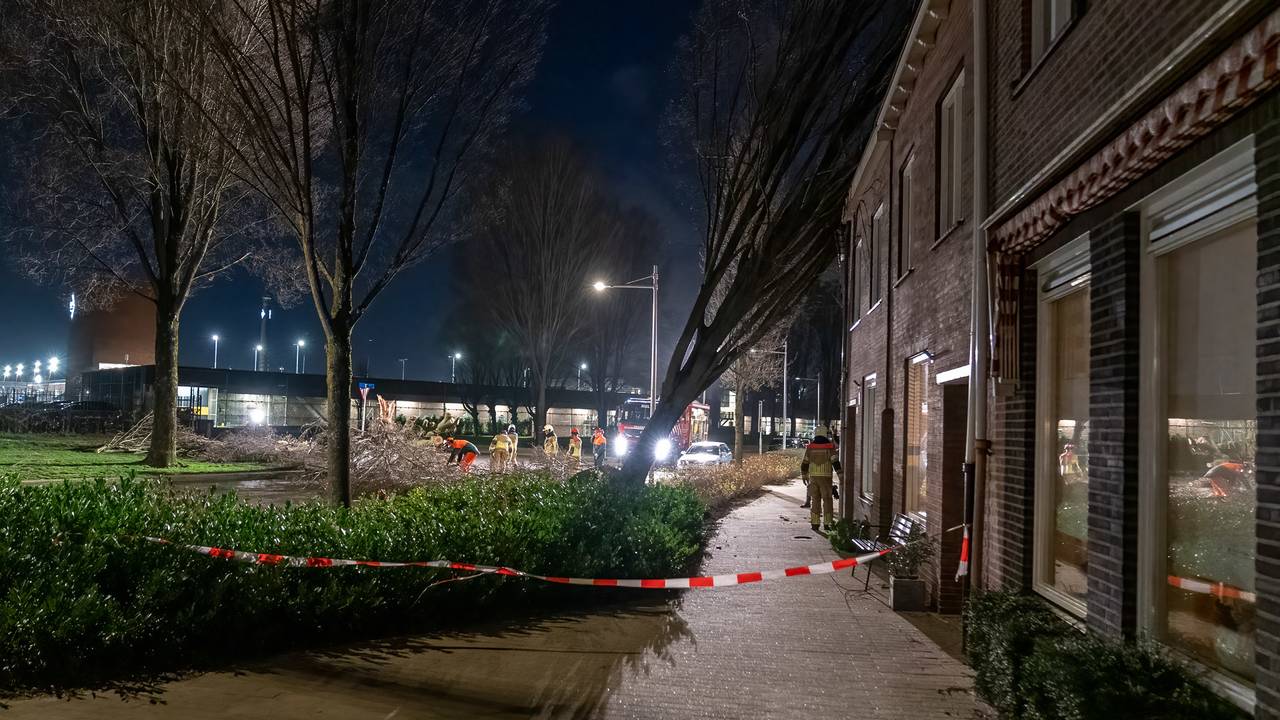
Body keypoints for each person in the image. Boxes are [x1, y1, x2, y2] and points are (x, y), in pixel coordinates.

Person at [801, 426, 840, 532]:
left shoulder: (810, 447)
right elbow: (835, 462)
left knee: (815, 501)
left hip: (813, 478)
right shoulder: (830, 447)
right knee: (827, 501)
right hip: (826, 479)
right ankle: (827, 524)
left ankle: (815, 523)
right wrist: (840, 475)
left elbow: (805, 463)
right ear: (825, 434)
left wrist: (804, 475)